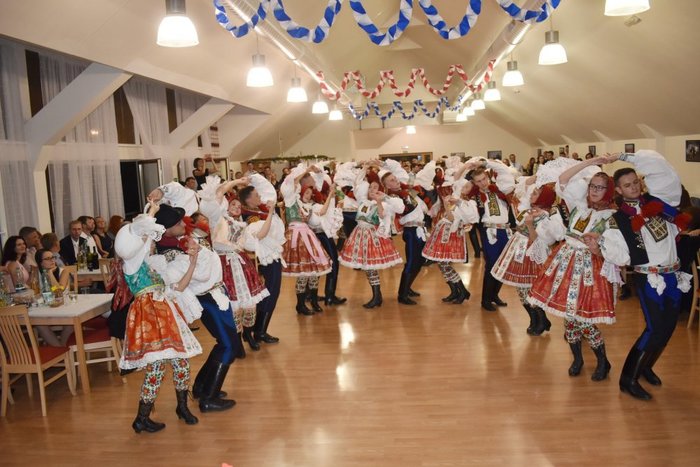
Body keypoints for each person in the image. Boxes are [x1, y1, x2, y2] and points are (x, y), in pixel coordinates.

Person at [599, 150, 691, 400]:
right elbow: (618, 254)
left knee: (668, 328)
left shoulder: (660, 203)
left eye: (636, 182)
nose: (634, 187)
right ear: (619, 190)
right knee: (654, 328)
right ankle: (627, 379)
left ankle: (646, 366)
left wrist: (624, 156)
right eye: (627, 185)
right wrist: (603, 244)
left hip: (673, 274)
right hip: (649, 278)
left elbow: (662, 170)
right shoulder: (618, 220)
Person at [149, 183, 244, 413]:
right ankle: (208, 399)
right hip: (208, 299)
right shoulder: (172, 254)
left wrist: (163, 191)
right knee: (228, 346)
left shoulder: (182, 240)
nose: (185, 224)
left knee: (226, 343)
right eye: (178, 223)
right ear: (166, 230)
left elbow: (185, 195)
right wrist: (197, 256)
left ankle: (202, 387)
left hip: (215, 295)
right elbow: (194, 277)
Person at [527, 156, 618, 381]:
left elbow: (614, 250)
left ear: (608, 190)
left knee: (584, 320)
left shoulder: (610, 216)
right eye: (592, 186)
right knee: (569, 317)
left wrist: (597, 246)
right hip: (565, 262)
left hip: (590, 268)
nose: (595, 190)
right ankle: (577, 359)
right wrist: (591, 162)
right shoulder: (579, 205)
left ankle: (603, 361)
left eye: (600, 187)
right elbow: (563, 179)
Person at [115, 202, 202, 433]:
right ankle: (141, 417)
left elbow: (178, 287)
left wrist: (193, 262)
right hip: (148, 316)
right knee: (156, 367)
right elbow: (143, 238)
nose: (152, 242)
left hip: (166, 313)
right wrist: (151, 214)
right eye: (149, 239)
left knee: (181, 362)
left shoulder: (152, 267)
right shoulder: (132, 264)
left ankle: (182, 407)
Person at [491, 179, 564, 335]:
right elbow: (522, 188)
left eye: (536, 193)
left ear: (544, 197)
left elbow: (543, 241)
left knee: (531, 291)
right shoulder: (529, 208)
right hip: (518, 250)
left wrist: (530, 224)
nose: (531, 195)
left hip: (532, 254)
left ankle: (541, 320)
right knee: (521, 290)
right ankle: (535, 320)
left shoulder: (548, 215)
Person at [338, 163, 403, 308]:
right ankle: (377, 296)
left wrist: (379, 201)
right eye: (371, 187)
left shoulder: (382, 203)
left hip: (371, 236)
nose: (373, 190)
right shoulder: (362, 200)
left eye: (375, 188)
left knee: (370, 267)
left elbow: (382, 215)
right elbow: (357, 182)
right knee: (367, 268)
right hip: (359, 234)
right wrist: (364, 168)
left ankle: (377, 296)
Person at [211, 193, 270, 352]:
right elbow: (217, 242)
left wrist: (270, 216)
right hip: (225, 264)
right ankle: (237, 340)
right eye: (233, 205)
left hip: (241, 263)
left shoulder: (243, 225)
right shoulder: (219, 220)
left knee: (249, 302)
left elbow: (250, 243)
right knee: (233, 303)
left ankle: (248, 334)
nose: (237, 208)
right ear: (226, 206)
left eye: (239, 206)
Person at [422, 161, 479, 304]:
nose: (464, 187)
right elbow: (457, 178)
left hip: (452, 234)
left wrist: (447, 206)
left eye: (467, 187)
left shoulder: (469, 203)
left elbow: (454, 218)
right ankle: (454, 291)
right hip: (443, 230)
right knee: (441, 264)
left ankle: (462, 291)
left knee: (445, 264)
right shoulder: (456, 195)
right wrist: (466, 167)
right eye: (464, 186)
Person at [279, 164, 333, 315]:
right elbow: (292, 183)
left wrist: (331, 194)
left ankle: (314, 301)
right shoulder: (291, 200)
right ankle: (300, 304)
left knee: (314, 271)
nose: (309, 195)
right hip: (297, 236)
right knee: (303, 273)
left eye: (310, 193)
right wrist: (306, 171)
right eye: (306, 192)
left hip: (308, 237)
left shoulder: (306, 206)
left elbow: (321, 212)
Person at [239, 174, 286, 344]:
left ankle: (257, 329)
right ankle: (258, 331)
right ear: (248, 200)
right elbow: (261, 234)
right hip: (264, 258)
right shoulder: (250, 215)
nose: (260, 197)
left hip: (269, 255)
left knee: (269, 293)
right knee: (269, 292)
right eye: (256, 195)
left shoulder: (258, 211)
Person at [381, 159, 435, 305]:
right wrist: (407, 193)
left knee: (419, 261)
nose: (396, 180)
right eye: (392, 180)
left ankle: (408, 288)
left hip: (419, 229)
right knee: (412, 262)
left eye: (395, 178)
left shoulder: (404, 192)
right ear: (387, 185)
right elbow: (405, 209)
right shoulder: (393, 197)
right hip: (411, 231)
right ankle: (402, 294)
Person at [467, 159, 517, 312]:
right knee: (492, 265)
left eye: (484, 179)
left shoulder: (499, 188)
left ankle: (494, 295)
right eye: (478, 181)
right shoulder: (475, 195)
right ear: (474, 183)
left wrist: (485, 163)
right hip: (490, 232)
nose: (482, 183)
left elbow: (504, 170)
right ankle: (486, 299)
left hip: (505, 231)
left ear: (487, 177)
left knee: (504, 265)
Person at [33, 249, 74, 346]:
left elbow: (58, 291)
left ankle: (63, 348)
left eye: (53, 257)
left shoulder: (63, 271)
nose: (52, 260)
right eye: (47, 259)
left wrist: (50, 274)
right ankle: (60, 349)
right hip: (45, 307)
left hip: (63, 307)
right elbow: (33, 291)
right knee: (38, 323)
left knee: (71, 321)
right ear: (41, 263)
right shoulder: (36, 273)